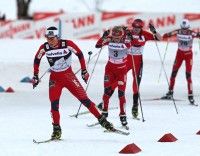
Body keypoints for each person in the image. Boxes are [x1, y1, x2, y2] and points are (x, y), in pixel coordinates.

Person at [32, 26, 113, 140]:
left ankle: (102, 121)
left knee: (84, 100)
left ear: (57, 37)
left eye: (52, 38)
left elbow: (79, 54)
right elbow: (37, 60)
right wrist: (35, 75)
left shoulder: (67, 44)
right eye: (47, 38)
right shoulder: (44, 47)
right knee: (54, 105)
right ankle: (56, 130)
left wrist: (84, 70)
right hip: (55, 79)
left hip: (68, 76)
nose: (50, 41)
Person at [95, 26, 138, 128]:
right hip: (109, 69)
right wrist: (103, 37)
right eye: (114, 37)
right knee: (106, 91)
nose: (115, 39)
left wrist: (129, 36)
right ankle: (104, 113)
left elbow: (132, 43)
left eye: (118, 38)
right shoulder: (109, 40)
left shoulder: (125, 40)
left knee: (121, 94)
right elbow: (97, 45)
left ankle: (122, 115)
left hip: (121, 70)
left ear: (121, 36)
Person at [126, 19, 162, 118]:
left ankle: (135, 105)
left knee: (136, 84)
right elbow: (115, 38)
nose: (136, 29)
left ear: (141, 28)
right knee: (118, 80)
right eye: (135, 27)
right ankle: (104, 102)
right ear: (132, 26)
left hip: (138, 61)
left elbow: (160, 38)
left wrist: (154, 31)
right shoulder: (127, 32)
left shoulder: (145, 34)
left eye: (139, 28)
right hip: (127, 59)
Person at [162, 19, 200, 104]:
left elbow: (198, 35)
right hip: (179, 54)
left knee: (188, 75)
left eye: (185, 29)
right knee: (173, 73)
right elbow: (167, 35)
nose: (184, 31)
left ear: (188, 27)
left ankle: (190, 95)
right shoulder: (177, 31)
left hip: (188, 55)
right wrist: (164, 36)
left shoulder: (191, 33)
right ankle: (170, 92)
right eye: (183, 28)